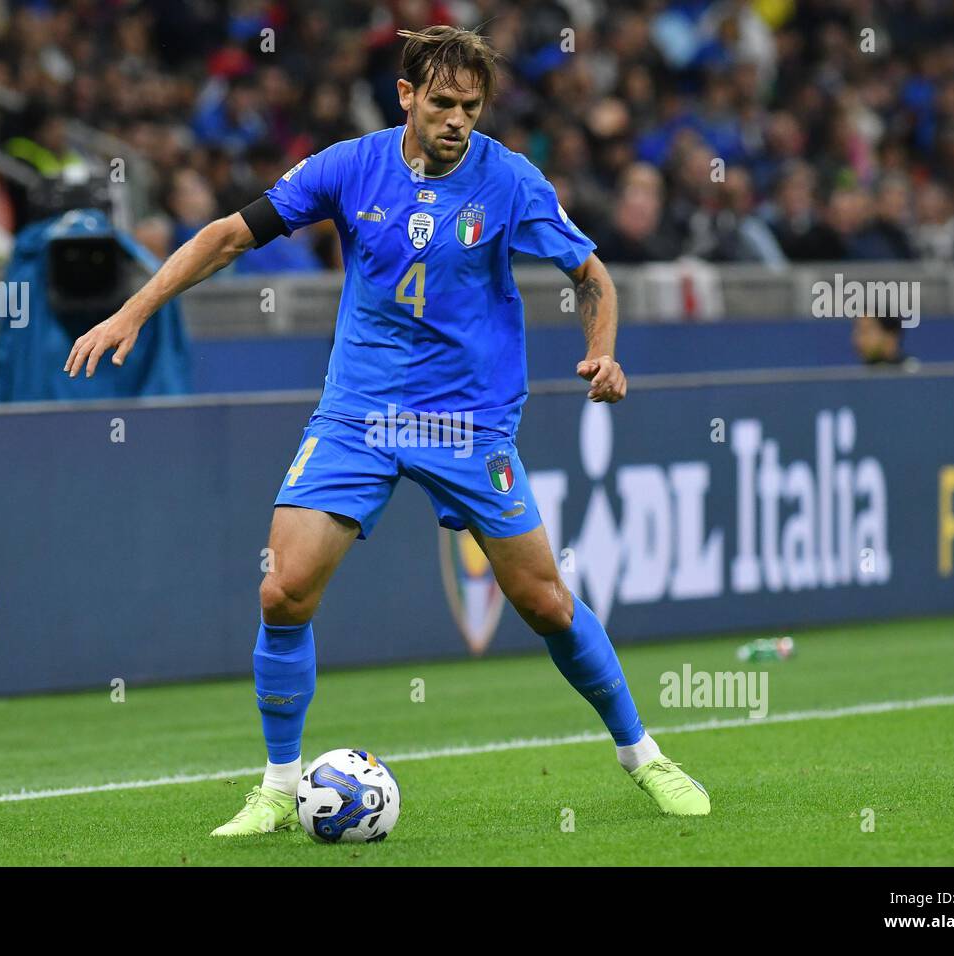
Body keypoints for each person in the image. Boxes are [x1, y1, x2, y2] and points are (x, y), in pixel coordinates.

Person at [64, 25, 711, 835]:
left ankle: (641, 754)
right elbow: (231, 234)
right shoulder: (348, 166)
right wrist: (132, 310)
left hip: (466, 423)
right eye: (442, 103)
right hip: (357, 414)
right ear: (405, 96)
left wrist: (603, 352)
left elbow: (591, 276)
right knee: (283, 589)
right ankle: (275, 786)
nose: (457, 120)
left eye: (471, 107)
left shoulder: (508, 180)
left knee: (545, 602)